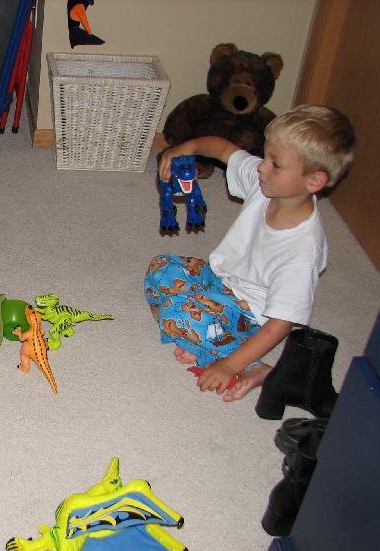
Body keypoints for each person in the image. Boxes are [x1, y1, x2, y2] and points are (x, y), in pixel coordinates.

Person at [144, 104, 355, 401]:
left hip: (249, 313)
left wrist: (230, 366)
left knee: (176, 314)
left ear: (314, 181)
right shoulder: (264, 184)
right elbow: (224, 149)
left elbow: (281, 323)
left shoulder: (302, 249)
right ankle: (204, 340)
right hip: (219, 278)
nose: (261, 167)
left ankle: (253, 365)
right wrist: (187, 147)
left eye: (275, 163)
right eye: (266, 156)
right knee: (162, 267)